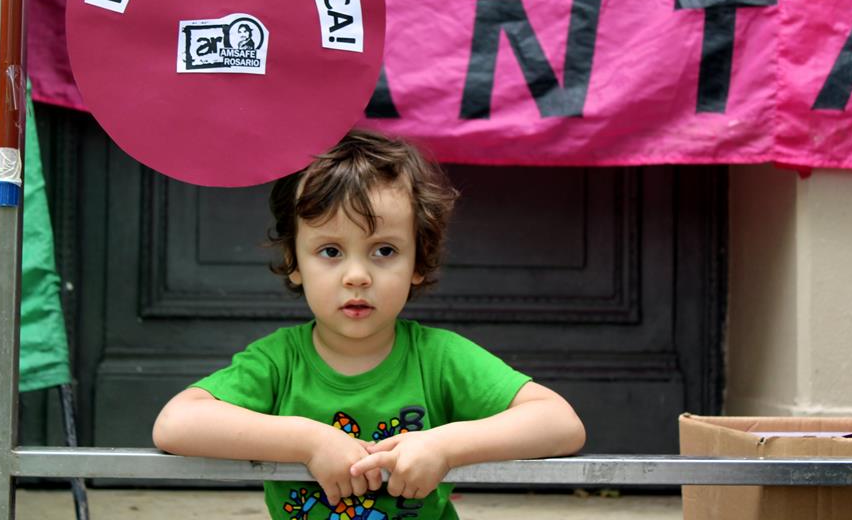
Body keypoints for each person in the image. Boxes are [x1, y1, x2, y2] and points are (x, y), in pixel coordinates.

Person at [153, 129, 586, 519]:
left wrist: (443, 445)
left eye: (384, 251)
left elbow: (560, 423)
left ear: (419, 262)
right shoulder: (278, 361)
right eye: (330, 251)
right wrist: (309, 441)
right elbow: (176, 424)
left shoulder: (439, 357)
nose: (357, 276)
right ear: (294, 262)